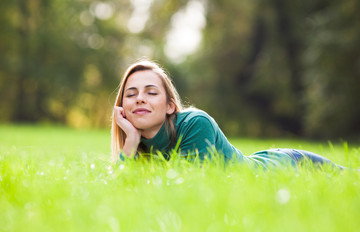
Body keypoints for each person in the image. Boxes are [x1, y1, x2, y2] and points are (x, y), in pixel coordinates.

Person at [111, 59, 345, 169]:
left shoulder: (195, 124)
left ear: (170, 106)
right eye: (131, 94)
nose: (140, 98)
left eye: (151, 92)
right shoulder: (139, 147)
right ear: (123, 107)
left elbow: (187, 191)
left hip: (288, 166)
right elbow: (119, 195)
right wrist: (130, 140)